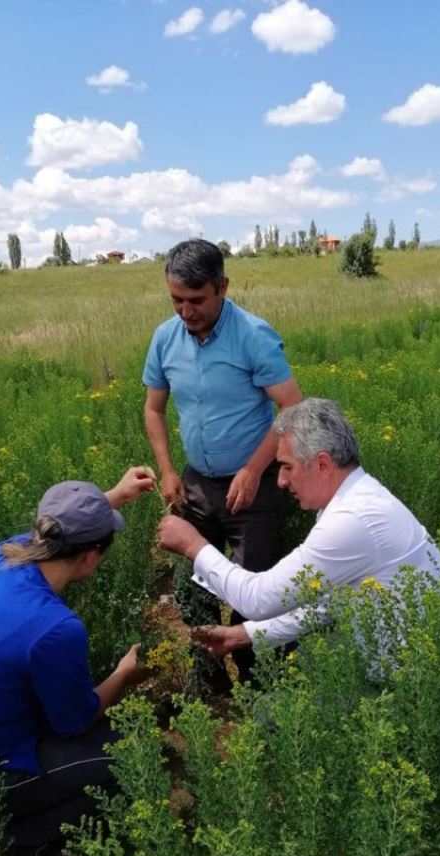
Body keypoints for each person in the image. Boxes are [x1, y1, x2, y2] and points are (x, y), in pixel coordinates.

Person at [0, 469, 155, 856]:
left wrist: (114, 496)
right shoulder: (55, 628)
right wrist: (122, 674)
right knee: (127, 751)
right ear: (90, 557)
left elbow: (64, 527)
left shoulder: (1, 556)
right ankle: (19, 849)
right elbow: (75, 721)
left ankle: (2, 818)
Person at [158, 398, 440, 657]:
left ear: (322, 465)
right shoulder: (359, 497)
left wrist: (193, 544)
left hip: (416, 679)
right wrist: (244, 635)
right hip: (421, 661)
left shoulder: (350, 519)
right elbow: (331, 602)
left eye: (287, 467)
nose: (281, 481)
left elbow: (256, 598)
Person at [143, 238, 302, 684]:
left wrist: (252, 470)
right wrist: (168, 471)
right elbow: (154, 409)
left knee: (254, 592)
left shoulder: (252, 336)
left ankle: (258, 684)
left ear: (223, 287)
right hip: (196, 483)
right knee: (195, 587)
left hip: (254, 484)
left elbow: (292, 407)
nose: (186, 311)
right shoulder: (165, 339)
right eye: (176, 300)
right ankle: (210, 682)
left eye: (197, 300)